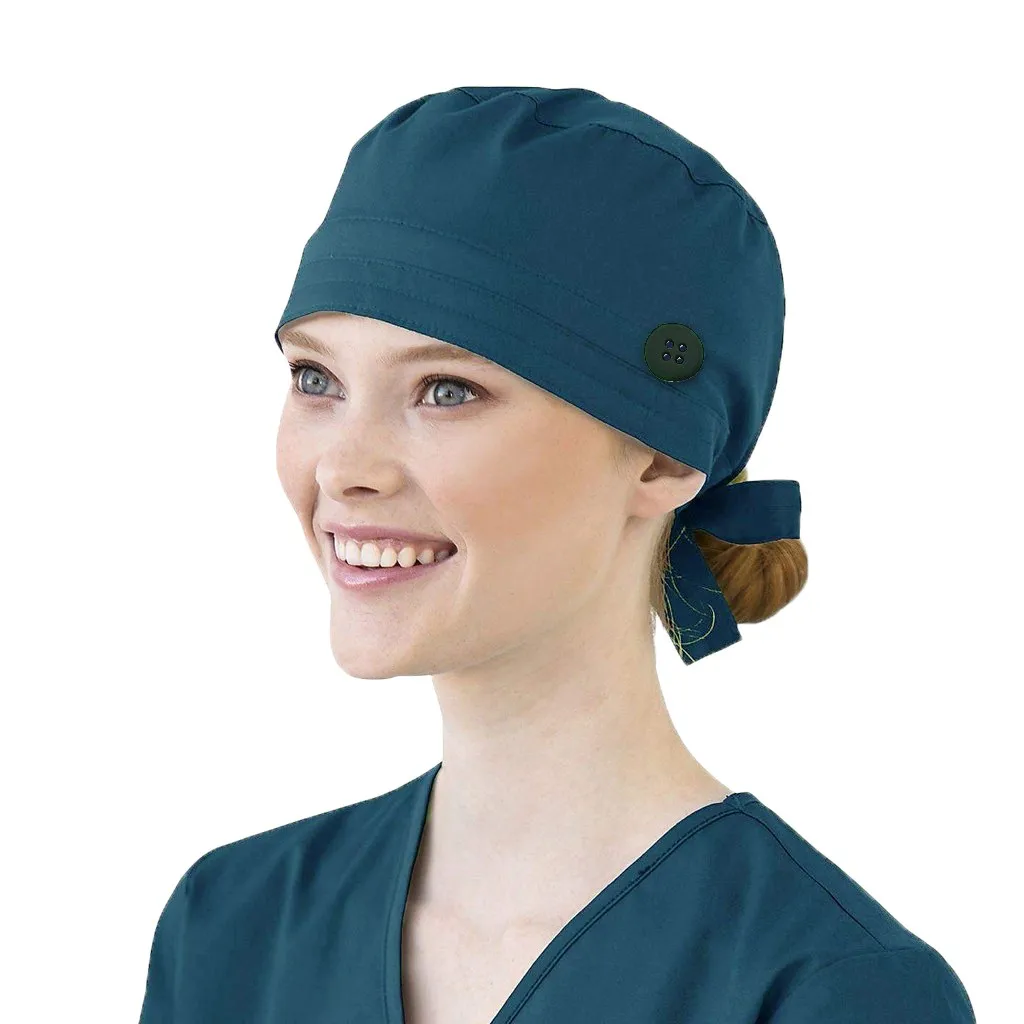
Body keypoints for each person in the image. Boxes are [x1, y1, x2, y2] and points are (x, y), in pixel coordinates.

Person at [137, 86, 975, 1023]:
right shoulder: (232, 928)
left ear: (662, 458)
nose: (343, 468)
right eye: (314, 378)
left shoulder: (834, 990)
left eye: (446, 391)